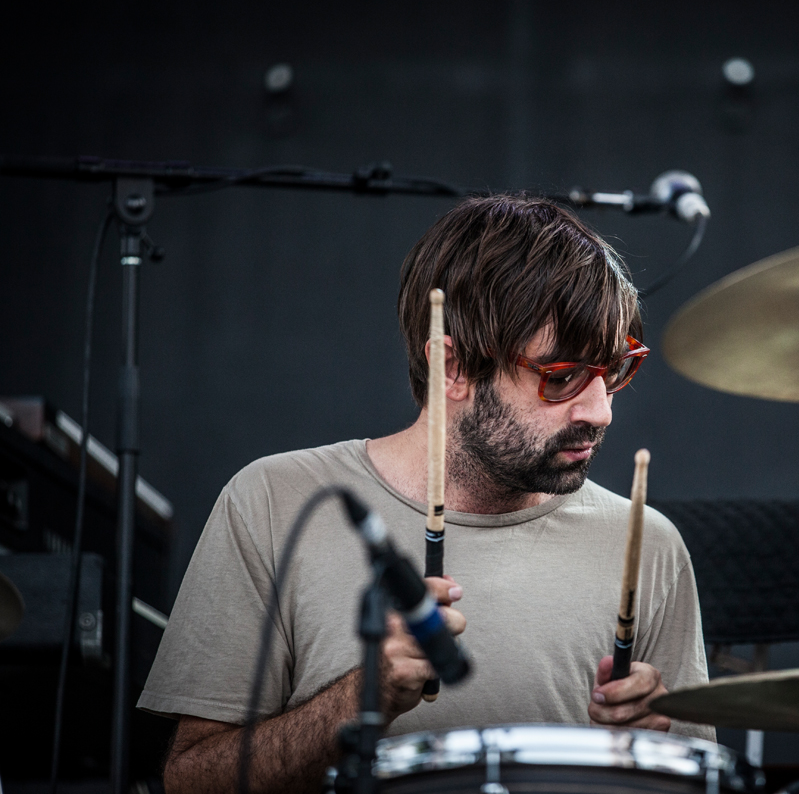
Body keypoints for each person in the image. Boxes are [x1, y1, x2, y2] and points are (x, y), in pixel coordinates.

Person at [139, 194, 714, 794]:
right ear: (452, 367)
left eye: (616, 371)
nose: (601, 412)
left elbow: (694, 779)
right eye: (562, 377)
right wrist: (358, 701)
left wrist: (655, 745)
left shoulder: (647, 545)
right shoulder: (271, 502)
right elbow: (189, 781)